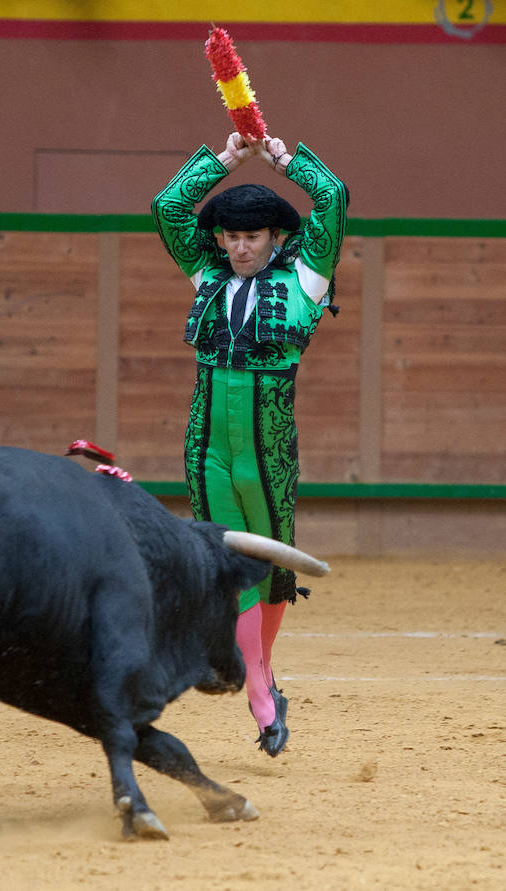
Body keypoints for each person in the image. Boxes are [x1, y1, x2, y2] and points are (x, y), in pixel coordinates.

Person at [152, 131, 348, 757]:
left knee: (271, 566)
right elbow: (168, 209)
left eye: (252, 237)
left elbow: (334, 198)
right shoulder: (207, 274)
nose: (239, 248)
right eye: (231, 236)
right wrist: (228, 158)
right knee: (225, 562)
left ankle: (259, 682)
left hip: (268, 452)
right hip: (207, 444)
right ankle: (261, 691)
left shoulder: (308, 279)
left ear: (276, 239)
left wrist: (284, 159)